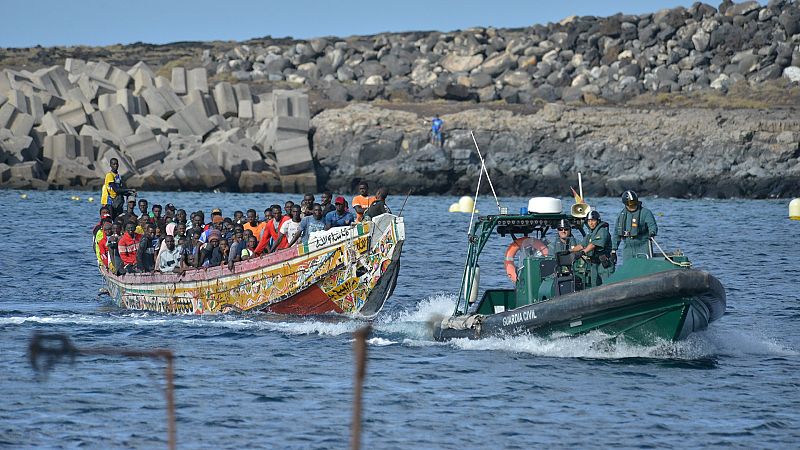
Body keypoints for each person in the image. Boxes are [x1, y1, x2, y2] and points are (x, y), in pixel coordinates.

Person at [612, 191, 658, 263]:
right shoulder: (621, 215)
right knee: (628, 267)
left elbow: (652, 225)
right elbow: (616, 233)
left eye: (634, 204)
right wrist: (613, 250)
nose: (632, 207)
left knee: (644, 265)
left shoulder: (645, 213)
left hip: (643, 245)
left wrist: (652, 233)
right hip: (628, 248)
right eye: (630, 205)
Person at [577, 210, 614, 287]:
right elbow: (581, 245)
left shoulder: (602, 231)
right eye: (589, 221)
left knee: (607, 286)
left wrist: (583, 252)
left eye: (593, 220)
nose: (591, 223)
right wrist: (570, 251)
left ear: (598, 221)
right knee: (594, 285)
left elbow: (593, 245)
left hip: (604, 264)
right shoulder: (590, 233)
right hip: (594, 264)